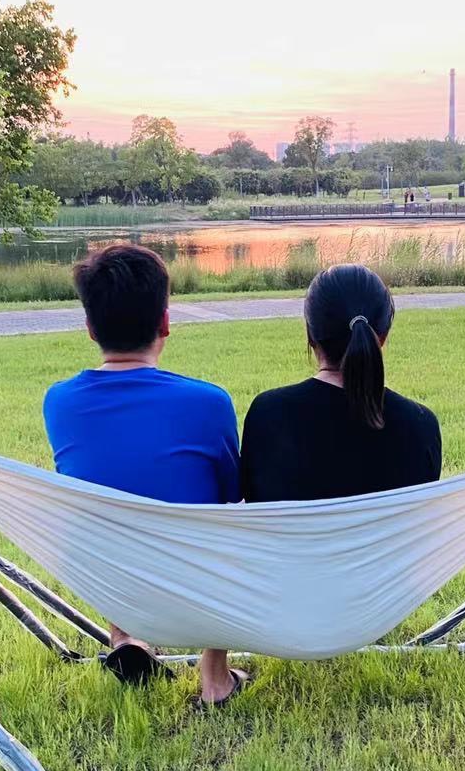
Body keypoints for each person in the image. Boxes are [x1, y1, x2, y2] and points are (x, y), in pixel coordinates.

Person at [43, 244, 245, 705]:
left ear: (90, 328)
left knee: (108, 508)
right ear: (165, 323)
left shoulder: (60, 403)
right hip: (195, 578)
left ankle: (127, 636)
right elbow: (231, 495)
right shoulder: (208, 402)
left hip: (106, 574)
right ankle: (215, 677)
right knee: (226, 523)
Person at [240, 264, 442, 503]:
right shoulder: (420, 426)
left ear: (310, 335)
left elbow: (254, 504)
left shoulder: (268, 415)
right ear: (383, 336)